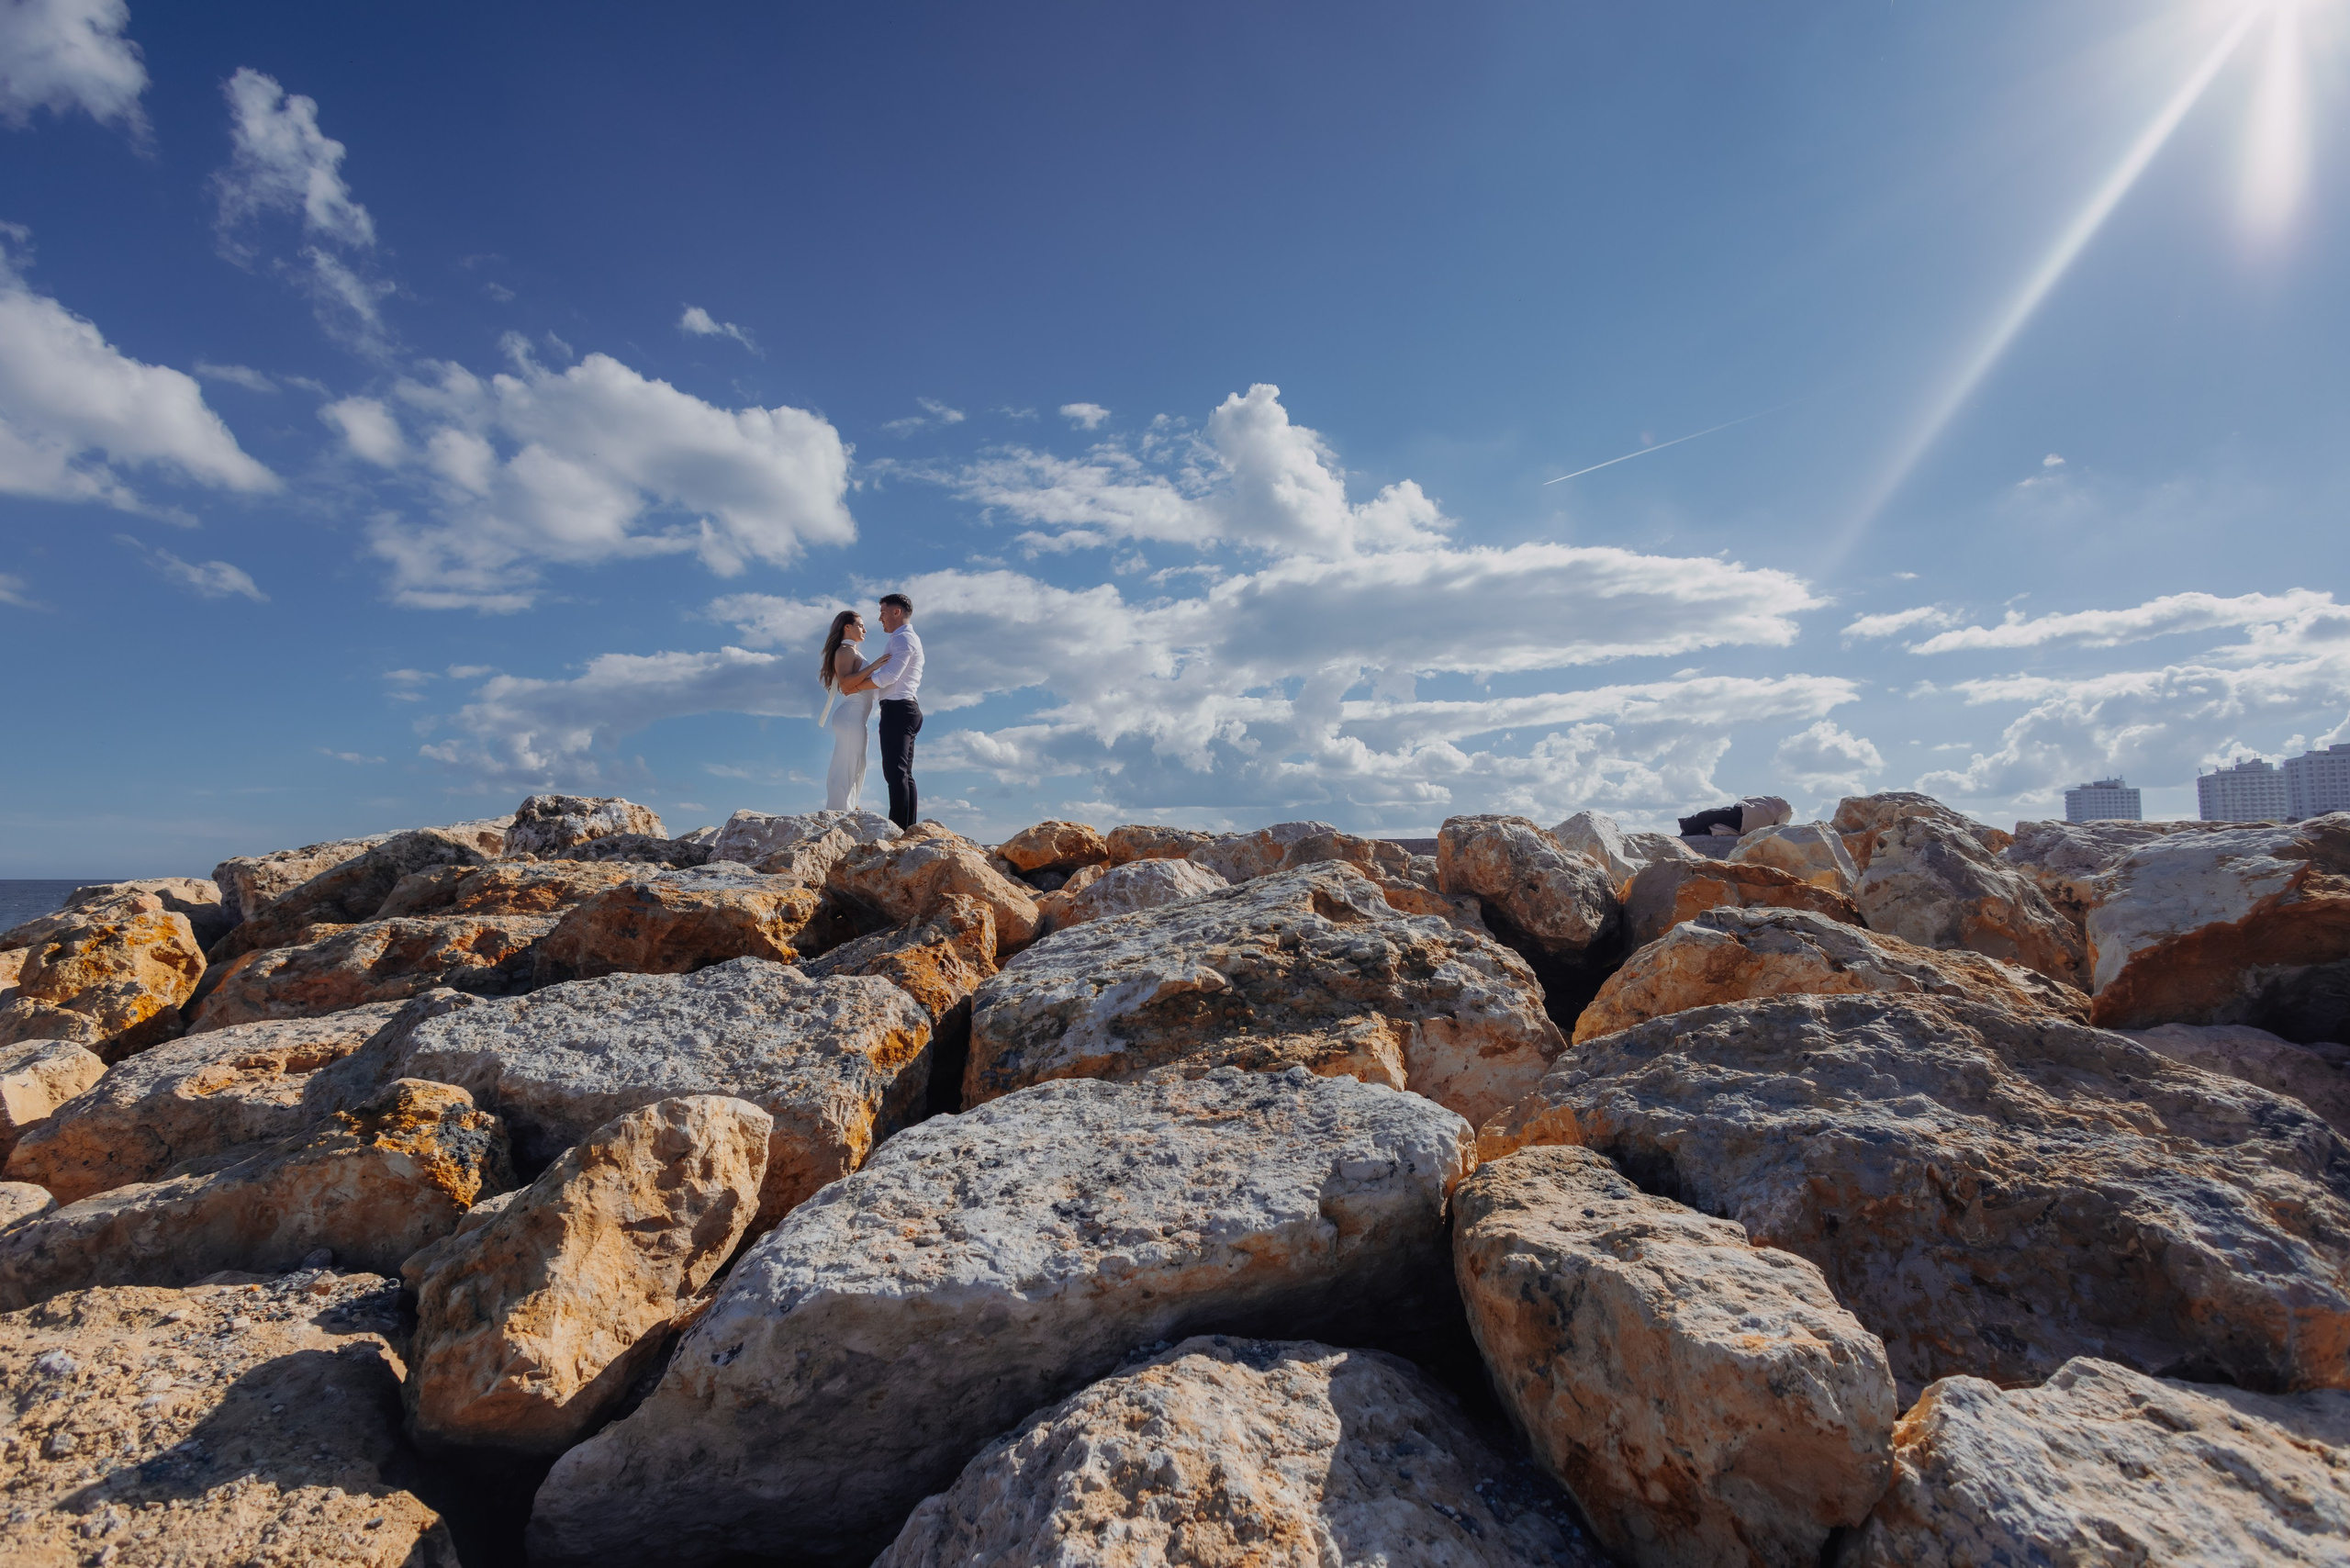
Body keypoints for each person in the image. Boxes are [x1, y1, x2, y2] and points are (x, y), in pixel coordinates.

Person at [839, 591, 924, 828]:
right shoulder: (903, 638)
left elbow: (888, 676)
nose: (880, 619)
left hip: (899, 709)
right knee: (903, 774)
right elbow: (886, 680)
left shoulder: (902, 638)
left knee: (895, 774)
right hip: (905, 708)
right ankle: (907, 828)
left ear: (897, 612)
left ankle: (898, 829)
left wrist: (854, 685)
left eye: (883, 613)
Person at [815, 609, 878, 811]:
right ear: (847, 627)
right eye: (860, 625)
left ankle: (845, 811)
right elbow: (845, 683)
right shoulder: (845, 650)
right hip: (851, 714)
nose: (865, 630)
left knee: (857, 766)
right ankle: (838, 814)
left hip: (857, 717)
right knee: (846, 767)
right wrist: (874, 666)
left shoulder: (854, 651)